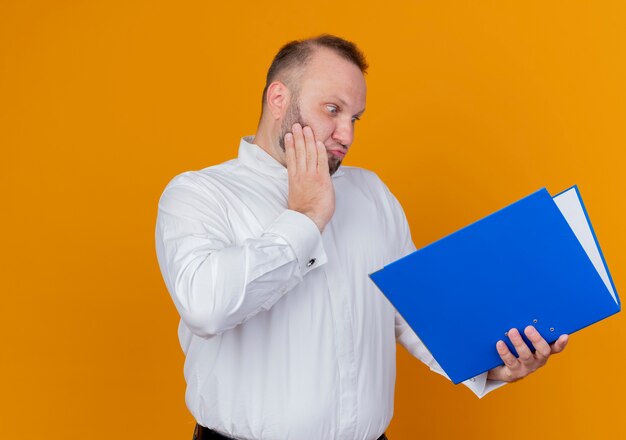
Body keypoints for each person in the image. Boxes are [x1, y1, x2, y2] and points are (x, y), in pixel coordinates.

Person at [155, 35, 569, 440]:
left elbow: (413, 316)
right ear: (278, 98)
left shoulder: (371, 193)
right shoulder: (198, 194)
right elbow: (206, 309)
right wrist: (305, 217)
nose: (346, 135)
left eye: (354, 118)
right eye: (332, 110)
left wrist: (489, 365)